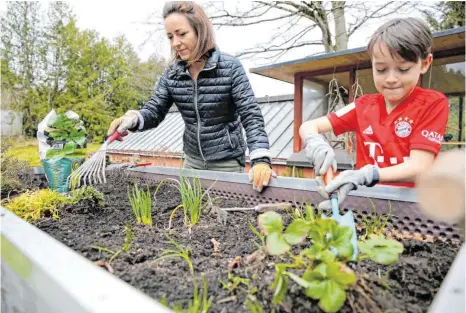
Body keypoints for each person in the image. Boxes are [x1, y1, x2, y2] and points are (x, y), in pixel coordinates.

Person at [107, 1, 274, 192]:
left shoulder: (230, 68)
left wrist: (260, 159)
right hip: (192, 162)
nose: (175, 43)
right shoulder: (172, 75)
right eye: (170, 37)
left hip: (226, 162)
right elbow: (154, 110)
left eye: (181, 34)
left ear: (200, 30)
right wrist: (132, 119)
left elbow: (250, 114)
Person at [300, 17, 449, 209]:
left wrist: (367, 174)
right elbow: (309, 126)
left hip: (414, 207)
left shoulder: (432, 103)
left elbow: (420, 167)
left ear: (425, 64)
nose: (391, 79)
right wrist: (315, 142)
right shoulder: (363, 106)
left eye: (403, 69)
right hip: (368, 204)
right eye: (381, 69)